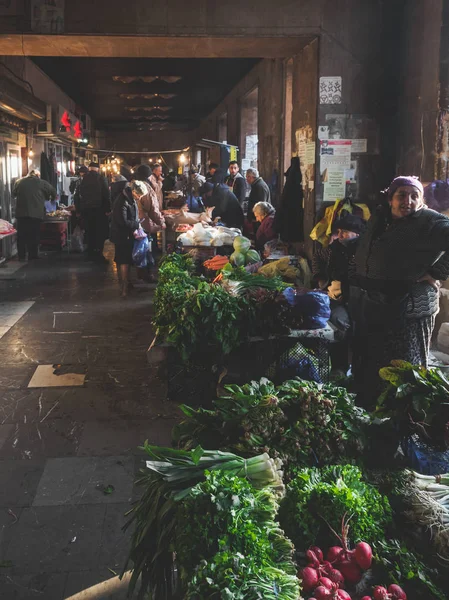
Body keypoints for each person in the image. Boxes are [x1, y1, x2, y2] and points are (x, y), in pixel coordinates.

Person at [352, 175, 449, 407]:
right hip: (376, 302)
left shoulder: (429, 221)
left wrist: (437, 272)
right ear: (390, 199)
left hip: (409, 307)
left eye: (415, 196)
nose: (408, 201)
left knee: (403, 365)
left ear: (422, 200)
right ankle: (373, 405)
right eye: (402, 195)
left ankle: (401, 415)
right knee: (374, 360)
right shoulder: (382, 218)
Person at [110, 180, 146, 298]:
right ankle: (124, 287)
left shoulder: (130, 199)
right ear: (134, 191)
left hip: (128, 234)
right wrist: (136, 224)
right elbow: (122, 221)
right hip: (121, 236)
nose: (139, 198)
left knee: (127, 260)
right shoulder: (122, 201)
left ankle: (128, 283)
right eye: (138, 195)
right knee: (124, 260)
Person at [13, 169, 56, 261]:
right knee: (34, 234)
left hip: (21, 214)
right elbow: (53, 191)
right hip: (36, 214)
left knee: (21, 235)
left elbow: (14, 194)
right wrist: (50, 199)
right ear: (37, 175)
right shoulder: (42, 182)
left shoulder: (19, 182)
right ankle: (33, 255)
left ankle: (21, 256)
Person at [74, 162, 111, 263]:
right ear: (98, 169)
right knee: (99, 232)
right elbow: (106, 195)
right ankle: (98, 253)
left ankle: (89, 253)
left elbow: (76, 196)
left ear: (89, 169)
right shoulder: (101, 179)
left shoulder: (82, 180)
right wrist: (108, 209)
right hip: (99, 211)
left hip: (86, 211)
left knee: (89, 231)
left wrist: (78, 210)